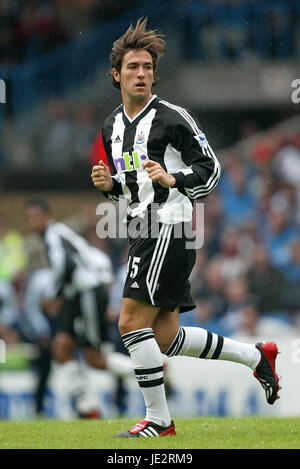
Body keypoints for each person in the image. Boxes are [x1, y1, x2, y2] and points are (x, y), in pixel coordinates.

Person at [91, 18, 281, 438]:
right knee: (162, 338)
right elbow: (132, 189)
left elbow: (211, 172)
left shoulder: (173, 118)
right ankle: (256, 357)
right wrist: (110, 189)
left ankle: (159, 419)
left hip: (171, 228)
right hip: (142, 226)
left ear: (154, 73)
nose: (141, 73)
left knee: (128, 322)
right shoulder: (111, 127)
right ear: (116, 75)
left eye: (147, 67)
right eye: (133, 67)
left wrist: (175, 180)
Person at [24, 199, 134, 418]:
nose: (32, 221)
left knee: (95, 358)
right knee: (61, 347)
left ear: (48, 215)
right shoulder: (58, 234)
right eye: (29, 217)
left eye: (36, 216)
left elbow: (68, 266)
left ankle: (154, 369)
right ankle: (87, 407)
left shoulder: (53, 234)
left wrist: (53, 295)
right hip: (77, 294)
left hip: (87, 293)